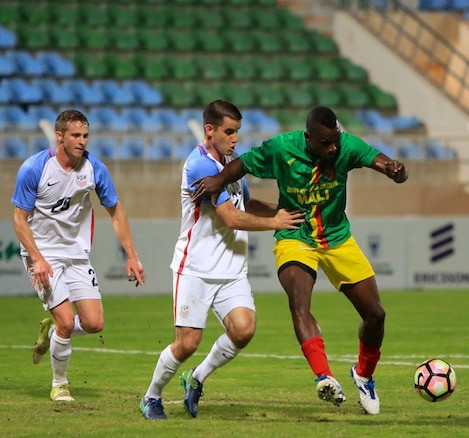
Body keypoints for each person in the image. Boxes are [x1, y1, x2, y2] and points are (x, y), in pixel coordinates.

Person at [191, 106, 409, 415]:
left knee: (375, 315)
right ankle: (324, 376)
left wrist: (396, 171)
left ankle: (363, 374)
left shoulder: (346, 146)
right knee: (299, 303)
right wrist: (217, 180)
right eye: (325, 143)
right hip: (295, 236)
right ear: (309, 138)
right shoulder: (282, 148)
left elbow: (385, 163)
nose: (333, 148)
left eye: (335, 141)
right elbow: (243, 164)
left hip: (337, 238)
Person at [140, 100, 305, 420]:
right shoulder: (200, 166)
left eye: (237, 132)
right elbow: (230, 217)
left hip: (231, 271)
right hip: (196, 270)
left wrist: (282, 210)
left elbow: (246, 202)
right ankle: (152, 396)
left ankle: (196, 378)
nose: (234, 138)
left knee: (243, 329)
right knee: (187, 344)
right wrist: (276, 223)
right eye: (229, 131)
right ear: (210, 130)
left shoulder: (231, 164)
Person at [11, 109, 145, 402]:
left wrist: (132, 256)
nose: (82, 141)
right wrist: (37, 258)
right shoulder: (34, 169)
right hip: (43, 254)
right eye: (75, 135)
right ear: (59, 136)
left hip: (75, 254)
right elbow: (19, 219)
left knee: (95, 323)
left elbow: (116, 212)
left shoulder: (94, 168)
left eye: (85, 135)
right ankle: (60, 384)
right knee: (67, 322)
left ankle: (51, 333)